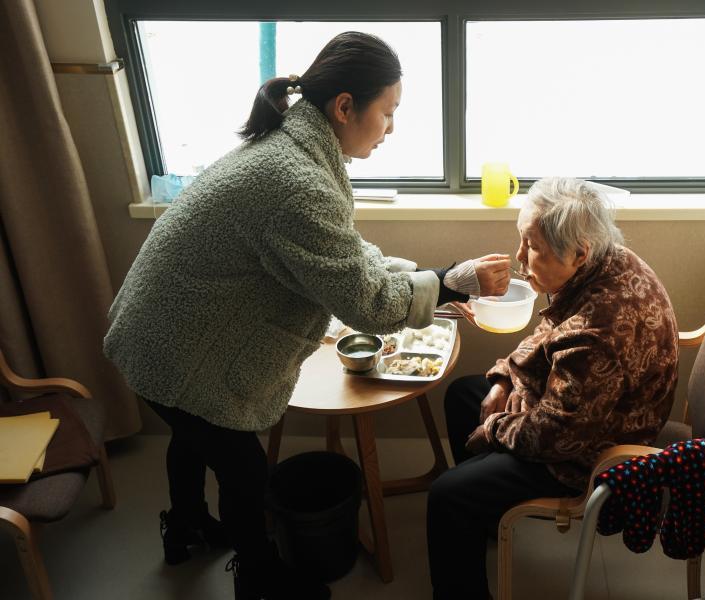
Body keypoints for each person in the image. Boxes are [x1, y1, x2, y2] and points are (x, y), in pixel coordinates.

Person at [103, 32, 510, 600]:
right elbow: (367, 302)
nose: (390, 128)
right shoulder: (293, 182)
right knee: (243, 467)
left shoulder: (293, 149)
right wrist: (444, 282)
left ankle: (186, 526)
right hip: (174, 346)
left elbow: (345, 252)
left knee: (192, 437)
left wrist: (438, 276)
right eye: (387, 112)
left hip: (153, 334)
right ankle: (260, 575)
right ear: (345, 107)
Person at [427, 177, 679, 600]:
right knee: (464, 395)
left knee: (447, 496)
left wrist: (495, 428)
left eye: (533, 247)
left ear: (578, 253)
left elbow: (556, 437)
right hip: (579, 408)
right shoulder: (606, 258)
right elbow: (552, 328)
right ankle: (489, 516)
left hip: (591, 451)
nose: (520, 257)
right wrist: (504, 378)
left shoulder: (601, 333)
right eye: (521, 241)